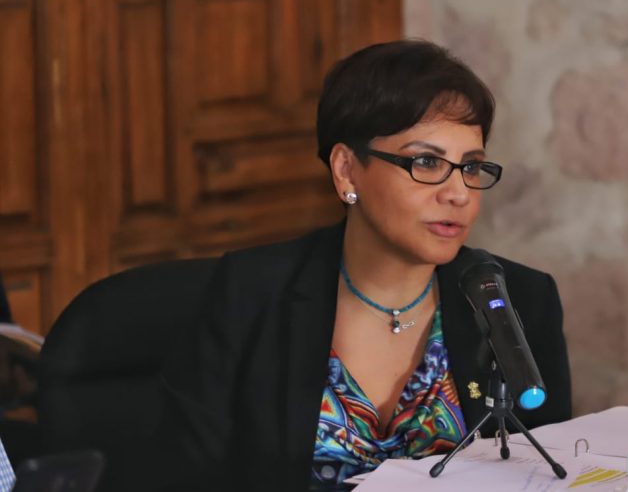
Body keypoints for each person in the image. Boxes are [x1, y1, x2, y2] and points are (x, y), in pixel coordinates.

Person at [145, 40, 571, 491]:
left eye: (470, 167)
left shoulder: (519, 298)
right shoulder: (251, 294)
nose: (459, 194)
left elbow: (552, 474)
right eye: (427, 162)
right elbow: (183, 478)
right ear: (347, 170)